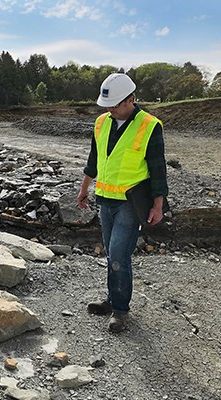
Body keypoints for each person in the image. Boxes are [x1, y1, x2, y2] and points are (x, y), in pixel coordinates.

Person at [77, 73, 168, 333]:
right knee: (110, 251)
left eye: (116, 105)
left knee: (119, 253)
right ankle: (112, 298)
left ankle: (120, 310)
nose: (110, 110)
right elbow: (93, 159)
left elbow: (158, 168)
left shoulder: (149, 125)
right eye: (108, 105)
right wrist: (84, 188)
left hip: (130, 203)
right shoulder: (101, 123)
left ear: (131, 99)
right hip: (105, 200)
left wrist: (158, 204)